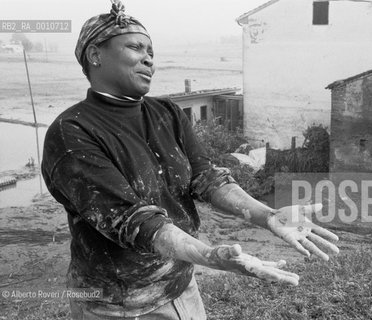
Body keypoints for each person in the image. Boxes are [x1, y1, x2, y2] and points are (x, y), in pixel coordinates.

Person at [41, 1, 340, 319]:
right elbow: (132, 221)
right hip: (116, 305)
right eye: (135, 47)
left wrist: (268, 216)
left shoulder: (166, 113)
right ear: (95, 55)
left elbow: (207, 178)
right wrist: (210, 256)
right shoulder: (72, 131)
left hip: (181, 289)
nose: (148, 59)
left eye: (151, 52)